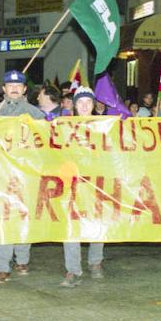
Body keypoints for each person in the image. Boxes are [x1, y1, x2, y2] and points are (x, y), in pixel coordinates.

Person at [0, 70, 45, 283]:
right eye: (10, 85)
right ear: (4, 89)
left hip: (26, 174)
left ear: (24, 89)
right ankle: (1, 266)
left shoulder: (36, 114)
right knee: (2, 218)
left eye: (19, 85)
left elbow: (46, 143)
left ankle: (22, 259)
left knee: (24, 215)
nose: (14, 88)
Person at [60, 87, 106, 287]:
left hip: (98, 182)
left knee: (98, 222)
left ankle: (95, 261)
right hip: (72, 183)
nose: (85, 105)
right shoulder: (64, 126)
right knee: (71, 225)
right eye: (81, 102)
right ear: (75, 105)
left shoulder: (104, 126)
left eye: (89, 101)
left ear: (94, 104)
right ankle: (73, 269)